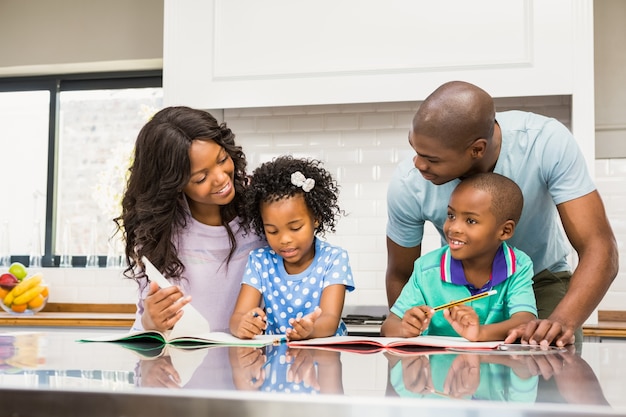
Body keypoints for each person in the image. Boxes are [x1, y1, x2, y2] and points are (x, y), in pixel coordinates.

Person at [386, 80, 618, 347]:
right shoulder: (408, 183)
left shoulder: (545, 142)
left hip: (540, 281)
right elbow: (400, 275)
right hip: (459, 292)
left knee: (553, 366)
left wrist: (563, 321)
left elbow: (599, 246)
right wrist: (408, 332)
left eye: (433, 159)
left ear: (477, 149)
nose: (418, 164)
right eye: (414, 149)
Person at [115, 106, 265, 334]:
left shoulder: (262, 216)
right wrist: (150, 323)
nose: (221, 178)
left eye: (222, 159)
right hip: (185, 367)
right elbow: (142, 336)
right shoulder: (161, 238)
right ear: (173, 185)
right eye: (201, 177)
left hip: (254, 365)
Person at [381, 173, 537, 341]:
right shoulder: (426, 269)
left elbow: (525, 321)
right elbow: (388, 326)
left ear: (504, 231)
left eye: (470, 221)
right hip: (438, 366)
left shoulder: (519, 266)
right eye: (451, 216)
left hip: (496, 366)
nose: (453, 228)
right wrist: (404, 328)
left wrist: (480, 333)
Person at [229, 155, 355, 341]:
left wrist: (309, 330)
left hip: (324, 360)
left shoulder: (333, 259)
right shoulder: (260, 261)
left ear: (316, 218)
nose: (284, 239)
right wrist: (243, 325)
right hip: (275, 359)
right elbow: (238, 317)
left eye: (295, 228)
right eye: (272, 231)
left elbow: (329, 320)